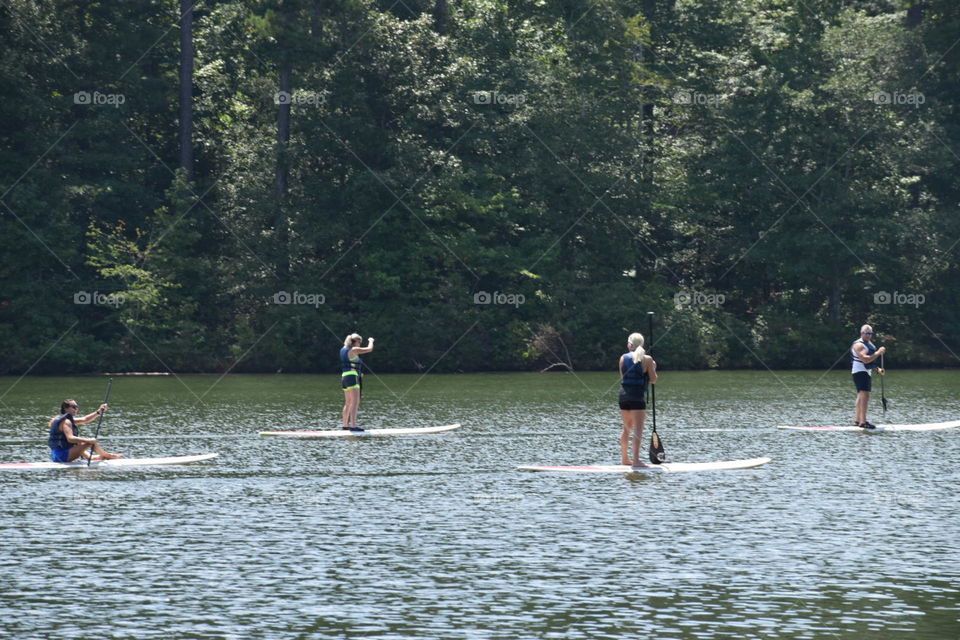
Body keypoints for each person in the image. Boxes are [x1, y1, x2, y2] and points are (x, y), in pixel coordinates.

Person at [618, 332, 658, 466]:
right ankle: (635, 460)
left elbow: (623, 377)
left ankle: (624, 459)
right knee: (638, 429)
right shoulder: (647, 359)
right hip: (637, 396)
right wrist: (653, 367)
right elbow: (653, 380)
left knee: (627, 428)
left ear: (630, 345)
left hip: (623, 396)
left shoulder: (622, 358)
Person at [48, 399, 123, 462]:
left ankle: (92, 457)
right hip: (61, 456)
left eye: (77, 407)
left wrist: (99, 412)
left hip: (56, 456)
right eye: (73, 407)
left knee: (81, 442)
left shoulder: (64, 419)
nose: (76, 409)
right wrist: (89, 440)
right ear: (65, 408)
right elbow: (70, 438)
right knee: (89, 442)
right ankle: (108, 456)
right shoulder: (66, 421)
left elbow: (85, 419)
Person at [851, 324, 886, 429]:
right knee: (865, 395)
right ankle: (863, 422)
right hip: (860, 372)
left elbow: (870, 362)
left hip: (865, 372)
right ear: (861, 333)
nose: (868, 335)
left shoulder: (869, 344)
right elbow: (865, 359)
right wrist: (878, 353)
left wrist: (878, 369)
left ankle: (858, 420)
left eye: (870, 333)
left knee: (861, 395)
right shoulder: (859, 345)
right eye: (866, 333)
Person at [341, 333, 375, 431]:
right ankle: (353, 426)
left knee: (348, 402)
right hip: (351, 377)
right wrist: (371, 341)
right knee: (355, 402)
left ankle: (345, 425)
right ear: (355, 342)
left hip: (344, 377)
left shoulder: (343, 349)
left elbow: (350, 364)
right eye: (359, 342)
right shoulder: (354, 349)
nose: (360, 344)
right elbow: (369, 349)